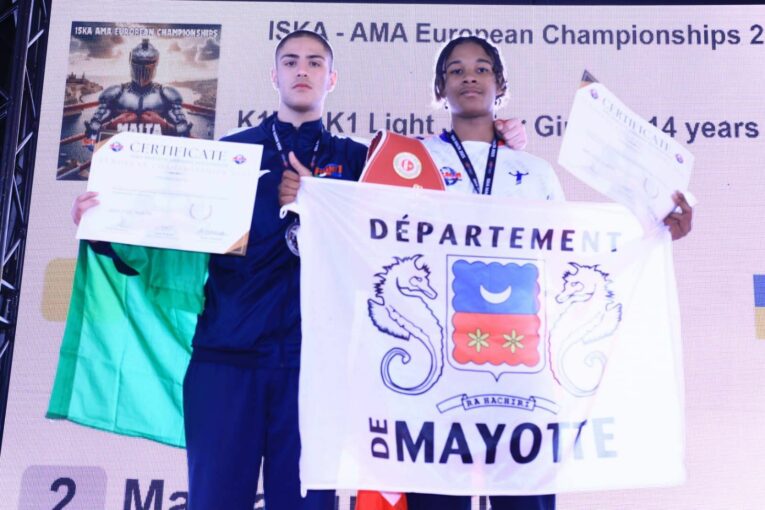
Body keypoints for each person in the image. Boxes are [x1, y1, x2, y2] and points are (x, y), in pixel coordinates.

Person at [71, 31, 529, 510]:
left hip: (317, 371)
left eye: (314, 62)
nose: (302, 70)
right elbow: (168, 243)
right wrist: (104, 223)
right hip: (227, 360)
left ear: (332, 79)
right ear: (275, 76)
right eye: (290, 62)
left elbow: (407, 239)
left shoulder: (360, 161)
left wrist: (498, 138)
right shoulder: (227, 157)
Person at [410, 35, 693, 510]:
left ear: (501, 85)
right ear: (440, 88)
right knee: (437, 500)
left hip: (523, 361)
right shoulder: (414, 162)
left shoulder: (535, 171)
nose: (469, 78)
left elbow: (570, 258)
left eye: (481, 69)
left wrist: (654, 230)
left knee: (526, 500)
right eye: (456, 70)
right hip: (440, 358)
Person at [83, 38, 192, 145]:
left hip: (152, 150)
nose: (143, 68)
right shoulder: (116, 93)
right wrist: (113, 124)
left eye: (148, 63)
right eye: (138, 62)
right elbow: (92, 135)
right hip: (121, 150)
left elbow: (183, 135)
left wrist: (164, 125)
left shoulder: (166, 94)